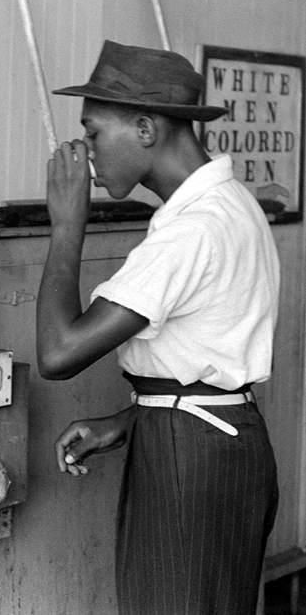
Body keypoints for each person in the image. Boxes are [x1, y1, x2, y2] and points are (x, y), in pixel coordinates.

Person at [36, 40, 280, 615]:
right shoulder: (231, 205)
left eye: (93, 133)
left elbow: (58, 351)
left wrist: (67, 225)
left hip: (189, 461)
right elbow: (208, 361)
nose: (86, 152)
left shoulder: (193, 229)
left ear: (145, 129)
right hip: (221, 439)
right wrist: (129, 422)